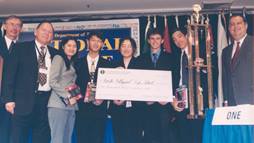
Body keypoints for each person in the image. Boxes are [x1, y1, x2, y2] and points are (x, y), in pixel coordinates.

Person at [1, 21, 58, 143]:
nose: (47, 33)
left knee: (42, 138)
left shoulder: (55, 54)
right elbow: (9, 75)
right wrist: (8, 100)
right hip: (22, 103)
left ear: (52, 37)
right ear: (35, 32)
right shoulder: (20, 48)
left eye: (50, 32)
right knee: (18, 138)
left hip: (45, 104)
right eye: (44, 30)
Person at [138, 28, 177, 143]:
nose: (155, 41)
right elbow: (138, 81)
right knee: (149, 137)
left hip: (164, 106)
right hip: (147, 106)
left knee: (165, 137)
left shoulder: (171, 58)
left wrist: (168, 97)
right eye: (152, 39)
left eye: (158, 38)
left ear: (162, 40)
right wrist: (145, 98)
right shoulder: (141, 59)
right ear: (148, 41)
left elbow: (175, 80)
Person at [171, 28, 208, 143]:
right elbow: (173, 80)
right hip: (180, 100)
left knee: (197, 135)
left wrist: (202, 67)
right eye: (174, 40)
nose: (178, 41)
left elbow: (214, 72)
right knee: (183, 135)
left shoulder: (200, 51)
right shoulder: (175, 57)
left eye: (180, 36)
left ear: (187, 35)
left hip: (198, 100)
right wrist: (173, 98)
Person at [75, 31, 111, 143]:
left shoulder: (108, 64)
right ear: (88, 42)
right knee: (82, 139)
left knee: (98, 139)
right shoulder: (77, 62)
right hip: (81, 110)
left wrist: (103, 97)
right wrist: (79, 97)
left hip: (99, 110)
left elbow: (110, 86)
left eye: (99, 41)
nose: (96, 43)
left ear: (102, 44)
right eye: (93, 40)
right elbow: (71, 83)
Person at [109, 37, 143, 143]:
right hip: (118, 109)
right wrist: (113, 98)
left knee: (135, 138)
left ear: (133, 49)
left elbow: (143, 86)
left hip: (136, 109)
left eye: (129, 46)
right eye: (123, 46)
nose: (126, 48)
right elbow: (109, 86)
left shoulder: (141, 64)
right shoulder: (113, 65)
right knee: (119, 137)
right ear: (119, 49)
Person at [48, 37, 79, 143]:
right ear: (63, 47)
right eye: (69, 45)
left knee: (67, 139)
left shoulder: (72, 62)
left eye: (74, 46)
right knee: (57, 139)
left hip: (71, 106)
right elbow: (52, 81)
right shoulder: (59, 58)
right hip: (58, 105)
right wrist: (68, 95)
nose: (72, 48)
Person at [222, 14, 254, 106]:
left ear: (246, 26)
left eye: (238, 23)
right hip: (233, 102)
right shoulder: (225, 51)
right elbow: (225, 78)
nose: (235, 27)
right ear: (229, 29)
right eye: (232, 24)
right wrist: (226, 100)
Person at [0, 15, 23, 143]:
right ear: (4, 26)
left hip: (14, 100)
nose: (14, 28)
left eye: (18, 25)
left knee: (12, 134)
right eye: (11, 24)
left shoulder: (23, 49)